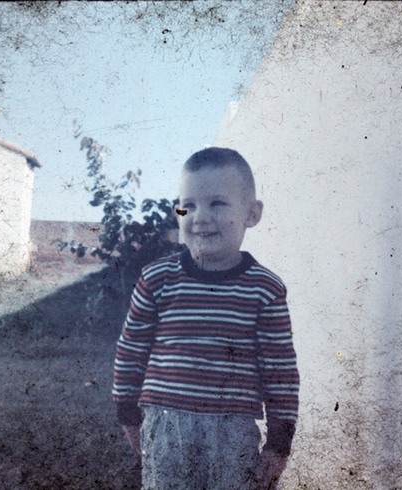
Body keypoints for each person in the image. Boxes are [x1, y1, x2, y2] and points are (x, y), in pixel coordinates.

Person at [113, 147, 300, 490]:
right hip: (166, 429)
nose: (200, 217)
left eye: (217, 203)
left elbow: (280, 372)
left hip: (233, 435)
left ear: (252, 214)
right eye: (189, 206)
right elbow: (130, 351)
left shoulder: (265, 289)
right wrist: (127, 413)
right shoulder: (156, 280)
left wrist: (279, 443)